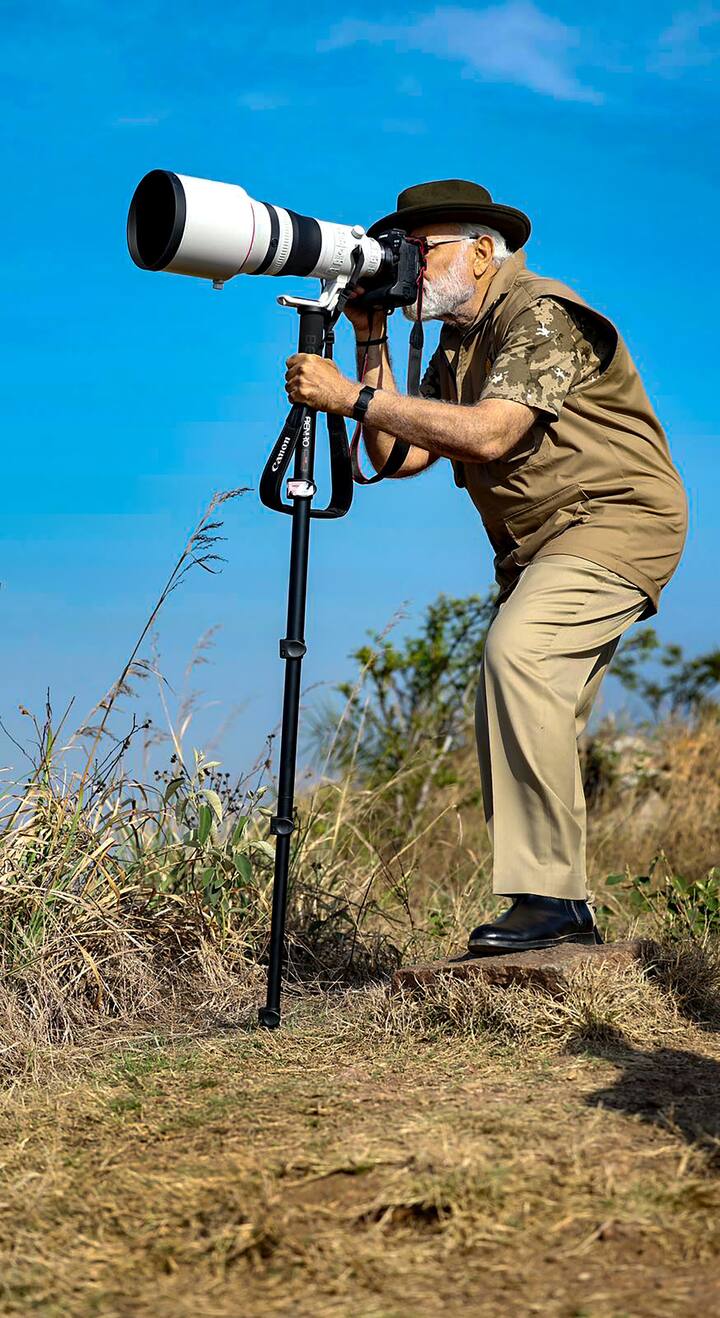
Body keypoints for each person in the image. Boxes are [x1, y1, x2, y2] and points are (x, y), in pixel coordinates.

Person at [284, 179, 688, 955]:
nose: (407, 266)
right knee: (524, 699)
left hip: (614, 521)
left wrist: (349, 399)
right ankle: (561, 914)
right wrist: (370, 345)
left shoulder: (538, 312)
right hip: (543, 544)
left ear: (480, 250)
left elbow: (493, 435)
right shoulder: (458, 341)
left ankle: (549, 903)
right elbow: (400, 456)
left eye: (420, 249)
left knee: (519, 656)